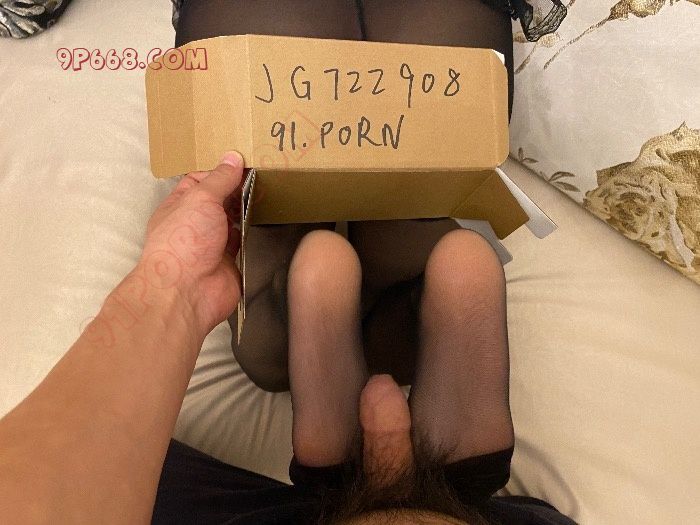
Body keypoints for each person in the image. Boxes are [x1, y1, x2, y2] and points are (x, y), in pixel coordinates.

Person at [0, 151, 574, 524]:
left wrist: (173, 283)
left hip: (311, 508)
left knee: (321, 262)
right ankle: (447, 481)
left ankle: (345, 478)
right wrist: (171, 286)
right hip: (465, 507)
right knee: (460, 263)